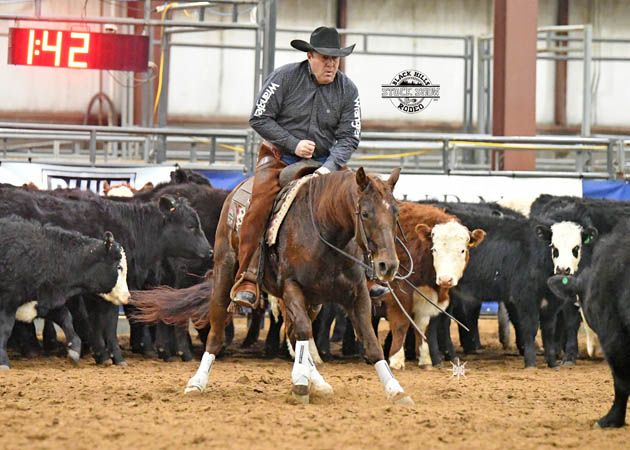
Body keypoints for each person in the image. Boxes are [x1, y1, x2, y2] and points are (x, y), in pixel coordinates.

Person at [231, 26, 381, 308]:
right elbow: (259, 118)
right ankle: (248, 277)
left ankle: (368, 273)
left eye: (335, 58)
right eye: (325, 57)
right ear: (310, 56)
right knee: (259, 206)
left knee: (363, 204)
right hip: (279, 160)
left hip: (326, 165)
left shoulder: (348, 89)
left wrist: (330, 166)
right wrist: (293, 143)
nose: (331, 64)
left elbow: (350, 135)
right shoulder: (284, 77)